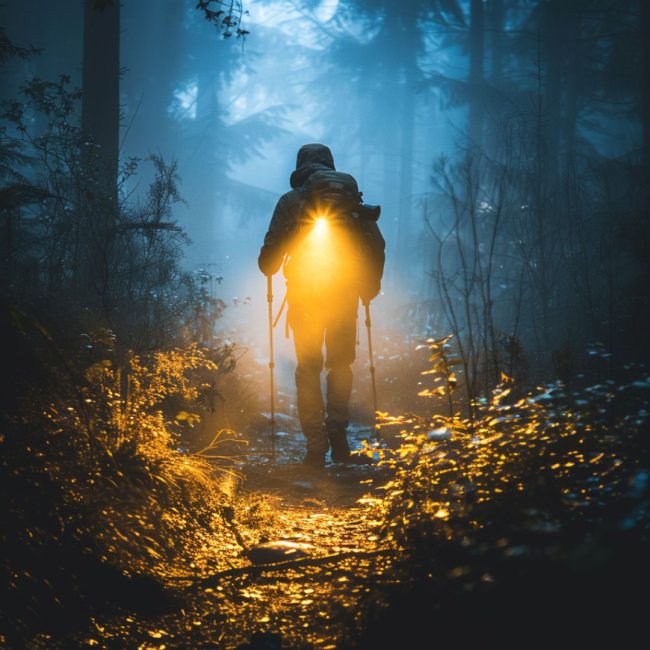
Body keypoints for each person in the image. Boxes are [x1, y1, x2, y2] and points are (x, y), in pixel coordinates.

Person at [258, 143, 385, 467]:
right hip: (344, 295)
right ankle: (339, 438)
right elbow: (376, 242)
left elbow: (268, 261)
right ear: (330, 164)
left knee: (309, 367)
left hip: (306, 295)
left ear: (301, 167)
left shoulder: (291, 201)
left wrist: (272, 261)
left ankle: (315, 447)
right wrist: (369, 287)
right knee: (340, 366)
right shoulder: (351, 200)